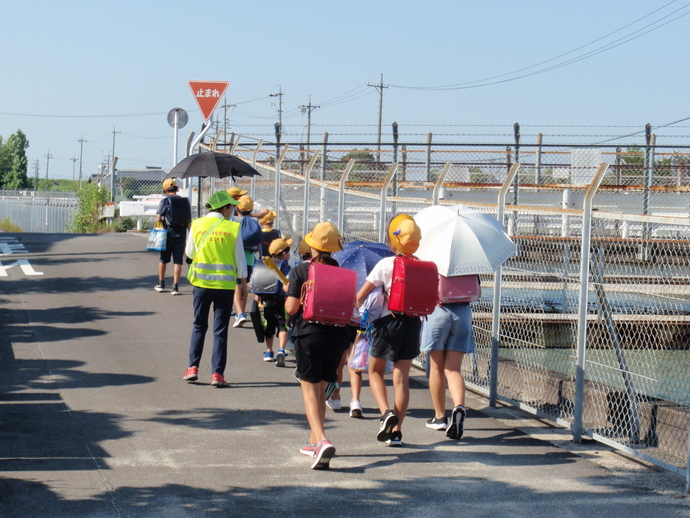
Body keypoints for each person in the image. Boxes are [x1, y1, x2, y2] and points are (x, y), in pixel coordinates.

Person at [285, 222, 349, 469]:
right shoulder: (340, 270)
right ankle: (314, 442)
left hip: (309, 333)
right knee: (321, 389)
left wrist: (288, 295)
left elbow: (291, 308)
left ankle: (321, 440)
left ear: (312, 245)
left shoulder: (301, 271)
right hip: (336, 336)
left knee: (309, 389)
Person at [355, 214, 423, 447]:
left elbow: (361, 295)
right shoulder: (421, 265)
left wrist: (357, 308)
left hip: (388, 324)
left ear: (394, 242)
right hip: (413, 324)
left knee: (374, 371)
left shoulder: (386, 264)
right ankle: (396, 433)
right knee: (401, 379)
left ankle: (385, 413)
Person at [182, 190, 247, 388]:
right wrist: (243, 285)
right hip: (225, 286)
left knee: (199, 325)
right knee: (220, 330)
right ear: (224, 208)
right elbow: (240, 260)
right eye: (231, 207)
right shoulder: (232, 228)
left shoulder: (197, 224)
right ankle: (217, 374)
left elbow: (189, 252)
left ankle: (192, 368)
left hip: (201, 284)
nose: (233, 211)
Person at [420, 293, 475, 440]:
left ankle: (440, 417)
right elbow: (477, 292)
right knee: (453, 369)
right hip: (463, 313)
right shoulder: (469, 269)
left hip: (438, 311)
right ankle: (459, 407)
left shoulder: (434, 268)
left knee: (436, 368)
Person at [256, 237, 292, 365]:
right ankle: (281, 349)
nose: (290, 254)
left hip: (267, 302)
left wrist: (257, 299)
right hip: (281, 301)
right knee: (282, 326)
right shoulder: (284, 266)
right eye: (288, 252)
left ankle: (269, 351)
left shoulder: (266, 264)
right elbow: (287, 284)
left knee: (269, 327)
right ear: (283, 254)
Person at [154, 179, 191, 295]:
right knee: (178, 261)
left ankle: (161, 284)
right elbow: (188, 220)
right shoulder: (185, 201)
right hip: (181, 234)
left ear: (165, 190)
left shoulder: (165, 201)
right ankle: (175, 287)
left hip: (167, 234)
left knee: (163, 260)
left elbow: (159, 218)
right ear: (177, 189)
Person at [232, 195, 261, 328]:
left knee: (237, 285)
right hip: (249, 258)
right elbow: (258, 247)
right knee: (244, 286)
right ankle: (241, 312)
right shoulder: (255, 222)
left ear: (237, 207)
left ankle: (240, 313)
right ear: (251, 209)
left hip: (234, 257)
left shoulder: (232, 220)